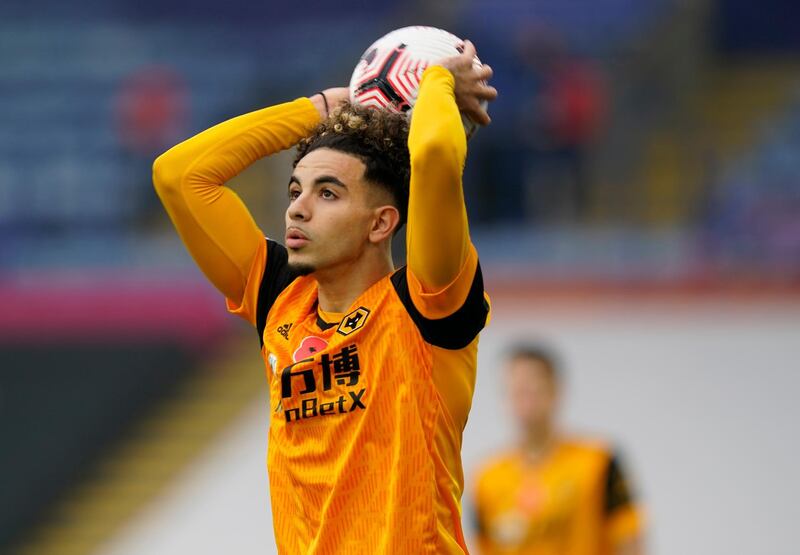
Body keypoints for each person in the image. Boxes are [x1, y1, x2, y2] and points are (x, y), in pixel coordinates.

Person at [152, 41, 497, 554]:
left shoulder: (428, 304)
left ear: (381, 223)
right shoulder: (278, 300)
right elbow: (180, 176)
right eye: (295, 191)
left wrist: (438, 83)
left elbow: (434, 153)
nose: (298, 210)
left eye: (327, 193)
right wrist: (315, 112)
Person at [473, 345, 645, 555]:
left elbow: (629, 539)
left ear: (555, 390)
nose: (525, 401)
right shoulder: (487, 477)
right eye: (516, 390)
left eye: (533, 389)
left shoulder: (598, 462)